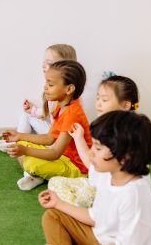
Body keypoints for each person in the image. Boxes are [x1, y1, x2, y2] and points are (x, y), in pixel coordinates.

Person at [39, 111, 151, 245]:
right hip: (101, 237)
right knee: (53, 216)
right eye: (93, 145)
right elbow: (96, 217)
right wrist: (58, 203)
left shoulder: (133, 195)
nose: (92, 152)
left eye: (98, 148)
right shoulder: (109, 176)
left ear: (124, 158)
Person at [48, 75, 140, 207]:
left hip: (109, 194)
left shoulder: (125, 135)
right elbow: (91, 164)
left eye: (104, 99)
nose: (98, 103)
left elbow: (94, 166)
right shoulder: (104, 127)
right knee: (55, 183)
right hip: (96, 185)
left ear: (125, 105)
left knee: (62, 197)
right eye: (98, 98)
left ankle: (90, 210)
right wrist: (79, 137)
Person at [1, 60, 91, 190]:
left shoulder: (73, 114)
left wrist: (26, 151)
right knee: (19, 146)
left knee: (30, 160)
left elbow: (55, 153)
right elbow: (49, 139)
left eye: (51, 84)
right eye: (46, 82)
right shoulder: (61, 106)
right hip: (63, 158)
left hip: (76, 168)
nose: (45, 87)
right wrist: (19, 136)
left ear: (69, 89)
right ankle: (39, 176)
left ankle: (39, 176)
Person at [0, 44, 77, 152]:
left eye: (49, 62)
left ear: (65, 69)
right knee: (27, 114)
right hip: (52, 133)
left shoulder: (64, 93)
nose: (43, 65)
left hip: (57, 142)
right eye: (44, 61)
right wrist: (32, 110)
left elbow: (56, 129)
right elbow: (49, 113)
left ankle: (18, 143)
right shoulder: (54, 87)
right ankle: (16, 141)